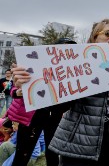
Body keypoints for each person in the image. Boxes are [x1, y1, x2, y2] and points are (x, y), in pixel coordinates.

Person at [13, 19, 109, 165]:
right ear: (94, 37)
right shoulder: (77, 62)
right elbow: (59, 106)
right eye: (108, 33)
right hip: (80, 141)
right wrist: (28, 86)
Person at [9, 38, 76, 166]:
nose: (66, 52)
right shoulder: (35, 64)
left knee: (53, 153)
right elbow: (13, 88)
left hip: (56, 116)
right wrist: (18, 92)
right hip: (33, 116)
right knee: (23, 153)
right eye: (63, 48)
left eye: (70, 49)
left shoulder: (72, 72)